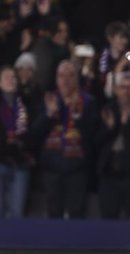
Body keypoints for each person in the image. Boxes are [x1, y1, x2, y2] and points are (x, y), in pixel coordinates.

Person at [31, 60, 100, 219]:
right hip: (51, 167)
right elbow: (35, 133)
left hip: (77, 167)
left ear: (77, 78)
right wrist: (49, 114)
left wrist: (77, 116)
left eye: (71, 75)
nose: (66, 80)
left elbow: (93, 136)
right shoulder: (48, 99)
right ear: (56, 78)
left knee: (76, 212)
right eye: (62, 75)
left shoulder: (89, 101)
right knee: (53, 212)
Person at [0, 65, 32, 218]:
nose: (11, 80)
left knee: (17, 211)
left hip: (19, 160)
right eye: (7, 77)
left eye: (13, 77)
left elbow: (31, 131)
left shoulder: (26, 102)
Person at [97, 74, 130, 219]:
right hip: (109, 174)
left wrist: (124, 124)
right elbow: (95, 141)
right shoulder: (107, 110)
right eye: (123, 87)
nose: (127, 91)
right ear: (116, 90)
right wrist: (111, 128)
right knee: (108, 220)